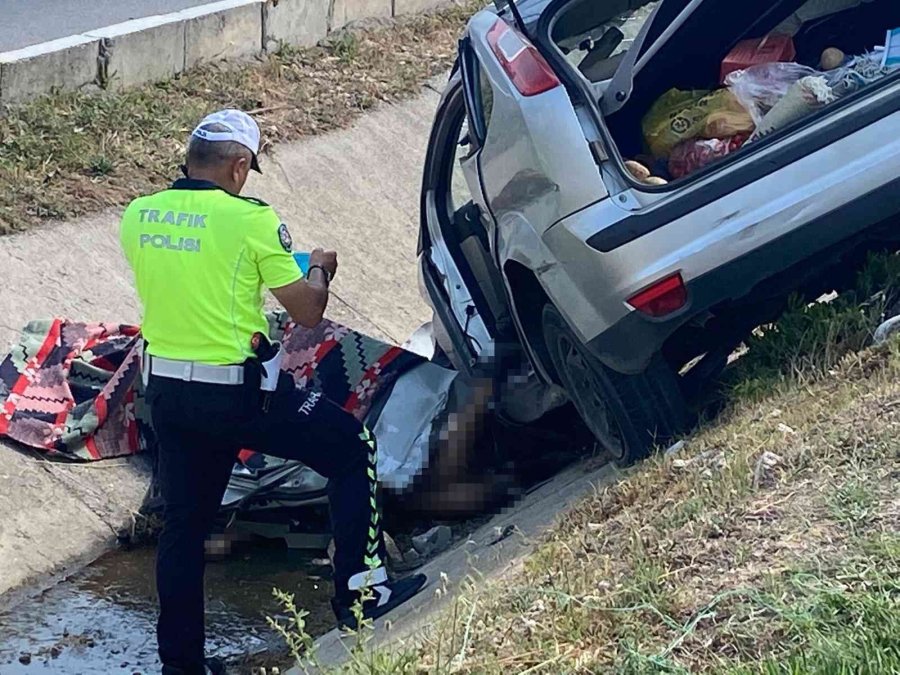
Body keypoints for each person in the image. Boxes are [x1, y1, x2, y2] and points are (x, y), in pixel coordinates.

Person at [119, 109, 426, 675]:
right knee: (350, 447)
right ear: (239, 166)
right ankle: (363, 599)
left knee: (184, 527)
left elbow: (198, 278)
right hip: (241, 395)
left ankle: (180, 665)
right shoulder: (252, 221)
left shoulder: (138, 215)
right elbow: (306, 312)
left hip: (168, 395)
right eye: (247, 170)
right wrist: (320, 270)